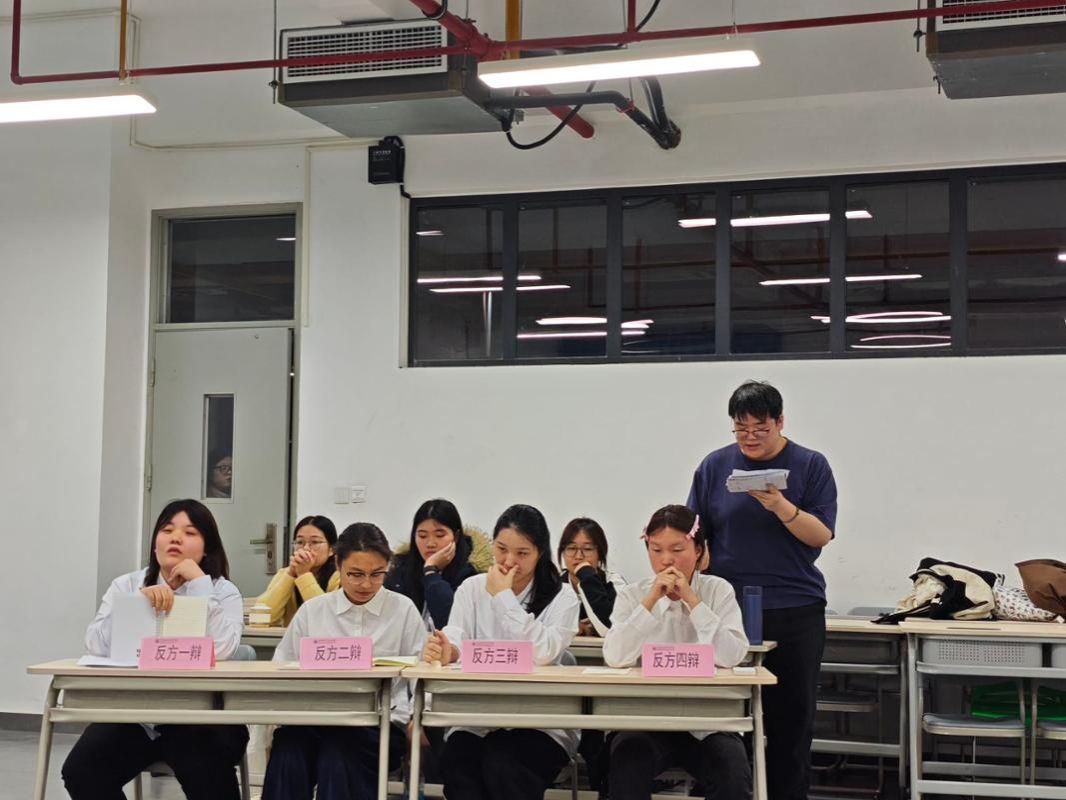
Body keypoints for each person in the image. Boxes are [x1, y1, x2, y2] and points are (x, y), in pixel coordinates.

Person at [687, 380, 837, 800]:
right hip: (728, 608)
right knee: (723, 717)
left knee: (791, 720)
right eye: (741, 429)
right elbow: (696, 534)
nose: (750, 438)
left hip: (795, 606)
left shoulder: (811, 465)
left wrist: (780, 506)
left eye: (760, 429)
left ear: (780, 422)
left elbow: (822, 535)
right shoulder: (715, 466)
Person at [62, 499, 248, 800]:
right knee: (81, 772)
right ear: (154, 542)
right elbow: (94, 644)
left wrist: (200, 585)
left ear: (206, 548)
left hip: (203, 717)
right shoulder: (127, 585)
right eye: (167, 530)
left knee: (207, 771)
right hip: (137, 715)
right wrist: (136, 605)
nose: (176, 538)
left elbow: (224, 649)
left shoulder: (222, 590)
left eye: (190, 532)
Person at [422, 504, 579, 800]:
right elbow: (457, 636)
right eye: (502, 549)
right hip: (477, 716)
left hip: (540, 721)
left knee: (504, 767)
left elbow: (543, 652)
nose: (508, 561)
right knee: (458, 769)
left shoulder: (563, 597)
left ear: (540, 553)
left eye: (522, 553)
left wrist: (504, 598)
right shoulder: (472, 588)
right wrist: (447, 651)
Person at [262, 523, 425, 800]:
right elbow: (283, 668)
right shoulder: (313, 611)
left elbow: (421, 674)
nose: (366, 584)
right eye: (355, 574)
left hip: (378, 725)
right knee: (289, 748)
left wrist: (416, 720)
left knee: (338, 754)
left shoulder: (402, 610)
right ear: (338, 564)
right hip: (313, 719)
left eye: (377, 574)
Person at [603, 504, 750, 800]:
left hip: (707, 723)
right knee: (627, 761)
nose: (666, 560)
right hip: (647, 720)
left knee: (732, 772)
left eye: (677, 549)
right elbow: (615, 657)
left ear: (699, 550)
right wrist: (650, 602)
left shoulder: (718, 590)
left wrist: (693, 601)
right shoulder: (633, 595)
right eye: (656, 550)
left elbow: (732, 655)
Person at [385, 498, 492, 629]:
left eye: (440, 535)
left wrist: (430, 572)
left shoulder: (471, 574)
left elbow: (449, 622)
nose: (430, 543)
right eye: (422, 536)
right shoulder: (400, 568)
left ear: (456, 537)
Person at [256, 515, 340, 626]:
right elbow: (262, 617)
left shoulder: (339, 576)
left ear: (331, 549)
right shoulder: (284, 573)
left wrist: (304, 574)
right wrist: (291, 574)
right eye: (300, 542)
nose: (306, 548)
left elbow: (327, 620)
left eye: (315, 542)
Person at [557, 516, 625, 637]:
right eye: (571, 548)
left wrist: (587, 576)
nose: (578, 556)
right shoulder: (553, 583)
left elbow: (612, 629)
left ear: (600, 554)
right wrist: (573, 627)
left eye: (587, 549)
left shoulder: (614, 583)